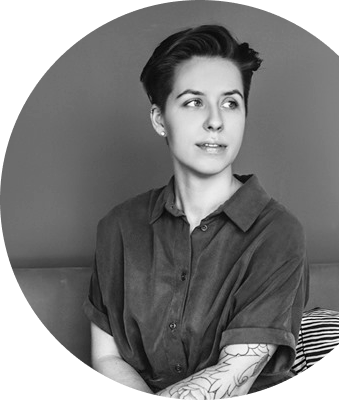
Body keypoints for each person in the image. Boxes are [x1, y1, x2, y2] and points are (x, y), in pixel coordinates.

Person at [83, 24, 309, 398]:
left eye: (230, 103)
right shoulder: (118, 227)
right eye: (194, 102)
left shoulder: (278, 233)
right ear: (160, 119)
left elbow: (233, 376)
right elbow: (107, 357)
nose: (215, 121)